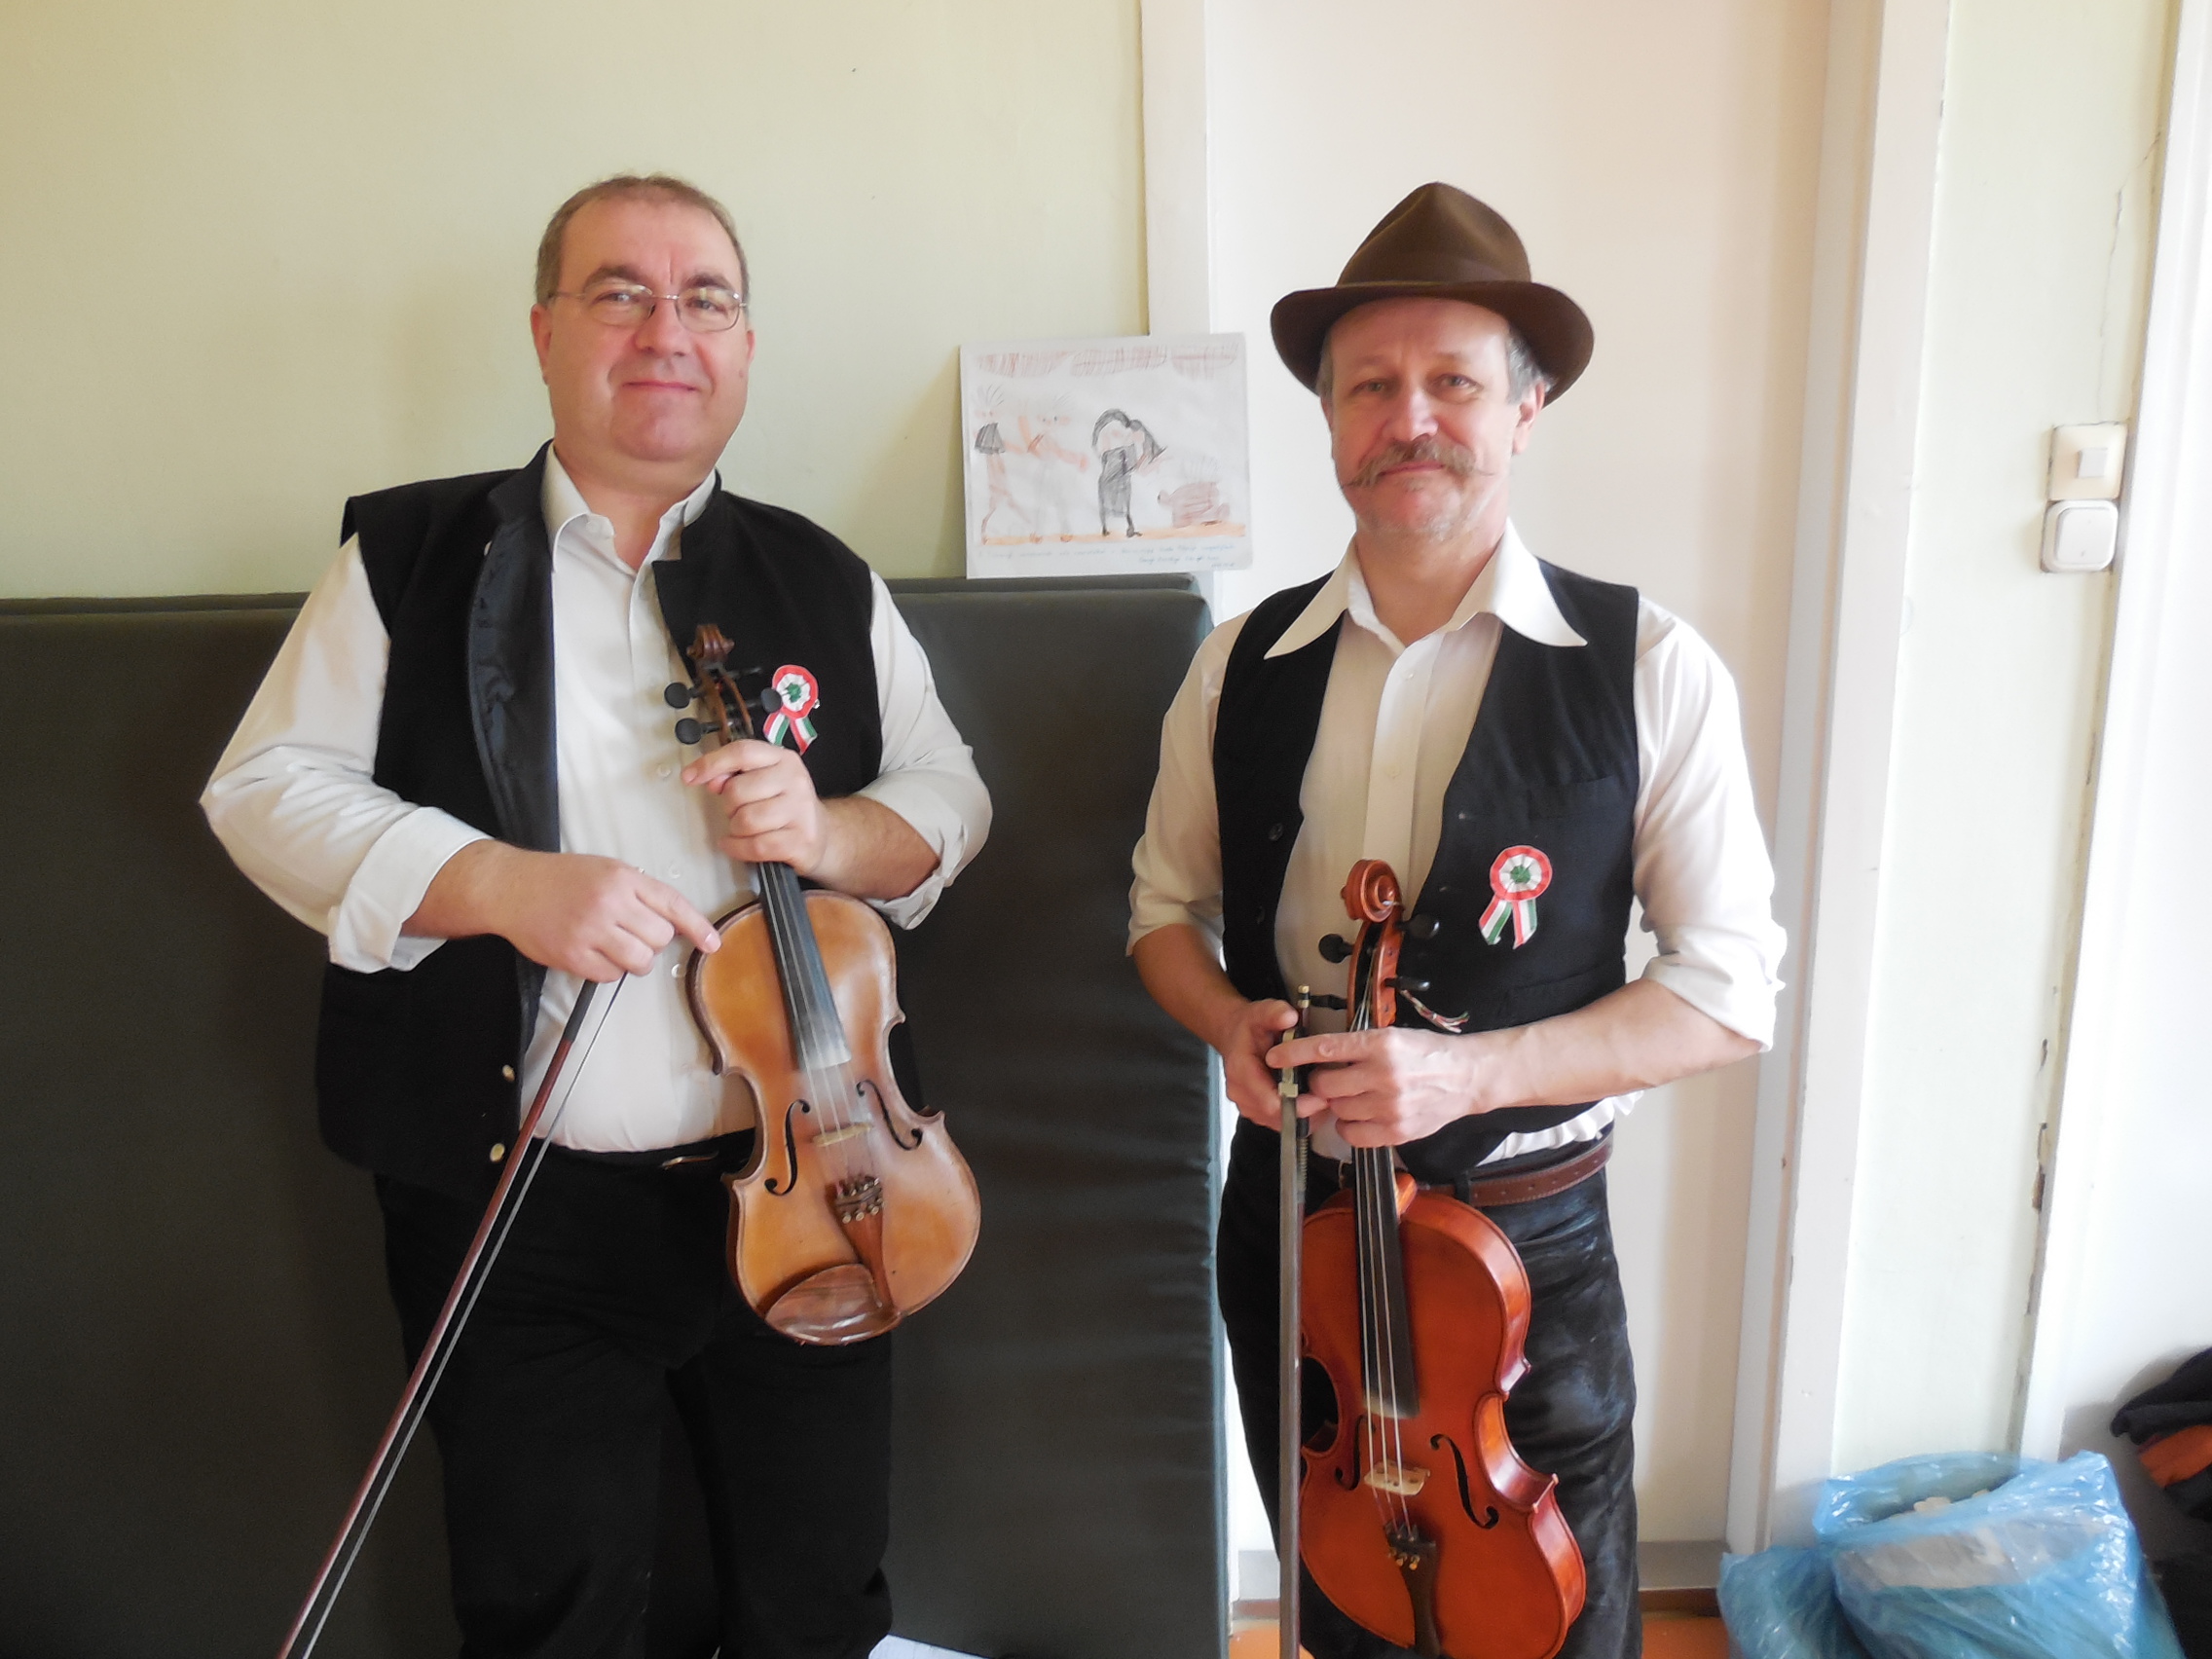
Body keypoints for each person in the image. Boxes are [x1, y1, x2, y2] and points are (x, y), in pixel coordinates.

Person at [203, 173, 990, 1658]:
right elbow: (264, 792)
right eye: (621, 292)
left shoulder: (824, 576)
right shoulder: (408, 560)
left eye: (706, 299)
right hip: (520, 1208)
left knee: (815, 1596)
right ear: (546, 333)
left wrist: (828, 829)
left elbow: (949, 800)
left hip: (820, 1179)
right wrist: (500, 884)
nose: (666, 330)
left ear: (745, 345)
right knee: (549, 1612)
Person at [1128, 183, 1785, 1658]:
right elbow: (1162, 912)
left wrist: (1468, 1073)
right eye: (1370, 385)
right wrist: (1223, 1018)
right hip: (1293, 1225)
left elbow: (1728, 993)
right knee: (1347, 1598)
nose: (1408, 418)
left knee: (1558, 1616)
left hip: (1524, 1238)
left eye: (1454, 383)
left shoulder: (1649, 665)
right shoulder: (1236, 666)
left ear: (1526, 410)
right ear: (1329, 419)